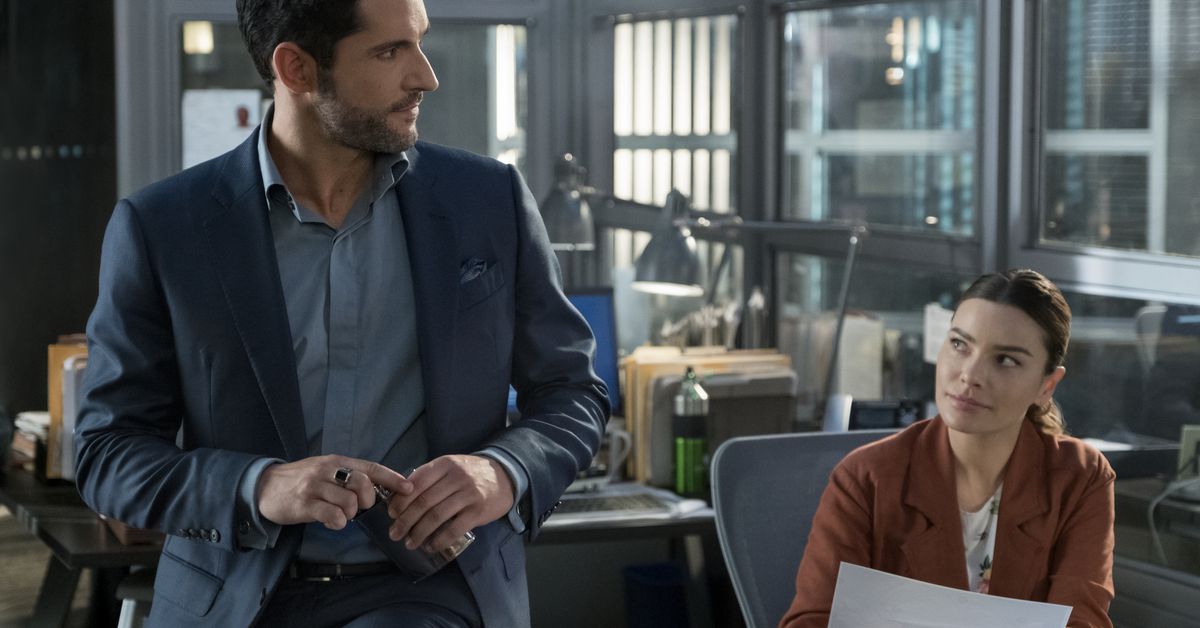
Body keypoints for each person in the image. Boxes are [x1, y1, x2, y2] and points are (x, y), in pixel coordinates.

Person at [74, 0, 609, 625]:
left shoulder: (488, 201)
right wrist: (259, 486)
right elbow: (108, 453)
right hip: (233, 601)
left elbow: (571, 392)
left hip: (432, 592)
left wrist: (503, 472)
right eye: (389, 51)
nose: (426, 76)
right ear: (296, 69)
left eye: (419, 41)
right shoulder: (162, 228)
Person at [780, 269, 1115, 628]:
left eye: (1006, 359)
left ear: (1046, 386)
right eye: (959, 344)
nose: (970, 375)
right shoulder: (866, 477)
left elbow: (1081, 621)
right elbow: (812, 620)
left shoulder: (1080, 478)